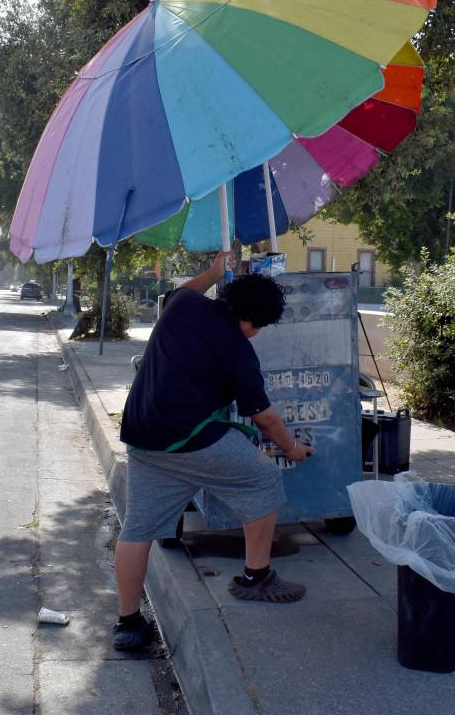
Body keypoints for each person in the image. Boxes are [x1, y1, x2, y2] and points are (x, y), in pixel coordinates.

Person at [112, 250, 314, 651]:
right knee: (264, 482)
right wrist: (292, 449)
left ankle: (128, 623)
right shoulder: (240, 351)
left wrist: (214, 270)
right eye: (260, 327)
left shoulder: (183, 304)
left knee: (137, 530)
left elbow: (182, 291)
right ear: (255, 323)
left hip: (143, 436)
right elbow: (266, 420)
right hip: (193, 439)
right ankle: (256, 578)